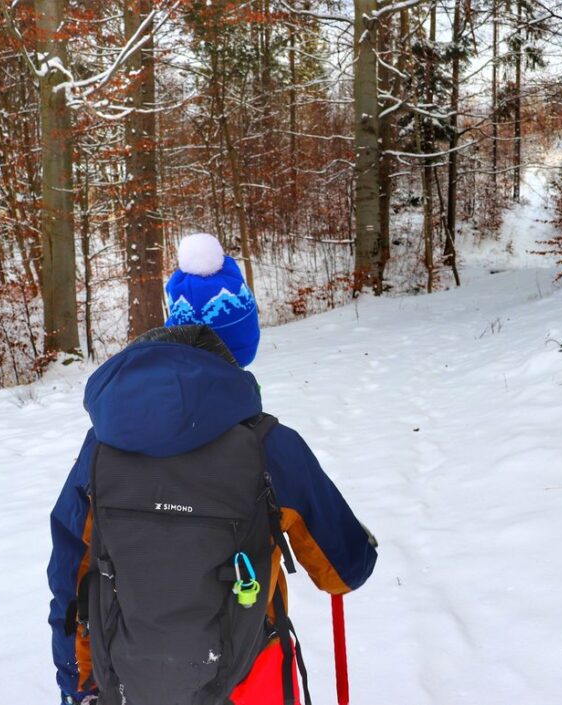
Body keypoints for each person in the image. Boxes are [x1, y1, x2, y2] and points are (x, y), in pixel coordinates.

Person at [48, 233, 377, 705]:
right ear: (241, 349)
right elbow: (343, 571)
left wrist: (77, 687)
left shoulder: (102, 445)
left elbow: (70, 572)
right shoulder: (271, 448)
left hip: (127, 680)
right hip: (248, 677)